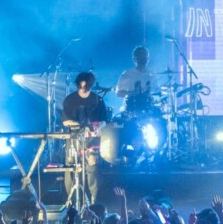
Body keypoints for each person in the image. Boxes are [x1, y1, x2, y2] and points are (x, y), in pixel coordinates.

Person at [62, 71, 108, 204]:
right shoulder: (70, 100)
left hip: (92, 141)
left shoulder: (97, 100)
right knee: (72, 169)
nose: (83, 88)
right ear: (78, 85)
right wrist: (81, 126)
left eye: (86, 86)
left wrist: (98, 127)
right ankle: (73, 201)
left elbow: (104, 120)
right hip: (74, 140)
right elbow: (65, 121)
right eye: (81, 85)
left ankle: (94, 201)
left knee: (93, 171)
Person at [115, 46, 154, 114]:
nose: (143, 57)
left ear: (148, 58)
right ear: (135, 59)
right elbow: (119, 93)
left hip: (149, 107)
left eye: (145, 55)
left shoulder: (152, 74)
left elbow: (156, 91)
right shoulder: (127, 74)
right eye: (140, 55)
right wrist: (132, 93)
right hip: (131, 108)